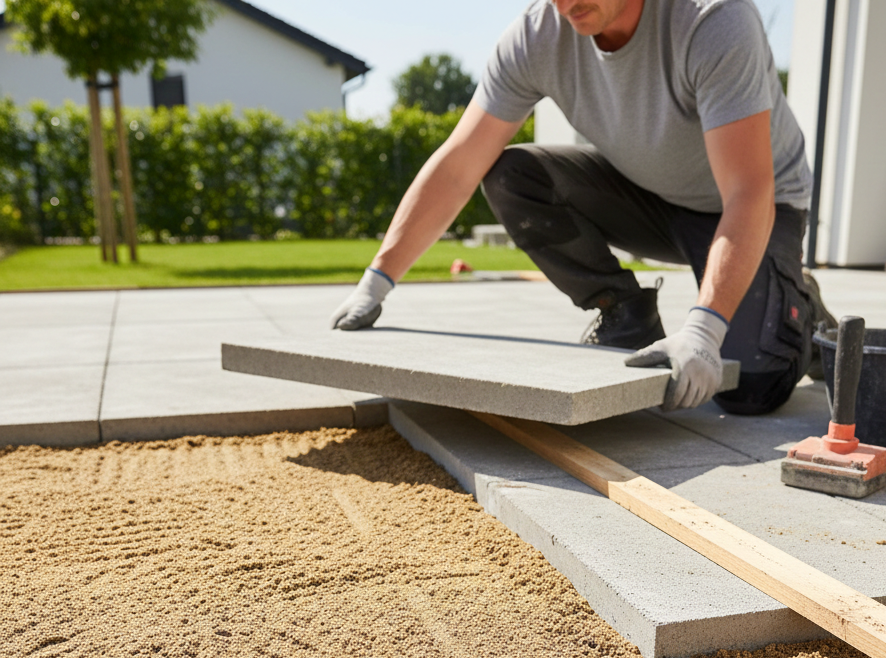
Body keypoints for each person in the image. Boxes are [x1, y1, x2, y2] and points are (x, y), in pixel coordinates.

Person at [328, 0, 823, 414]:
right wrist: (377, 280)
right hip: (649, 197)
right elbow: (459, 166)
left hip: (756, 207)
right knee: (512, 174)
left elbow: (748, 192)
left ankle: (802, 308)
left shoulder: (712, 19)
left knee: (750, 387)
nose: (564, 3)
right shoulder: (537, 35)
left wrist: (705, 329)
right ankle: (624, 313)